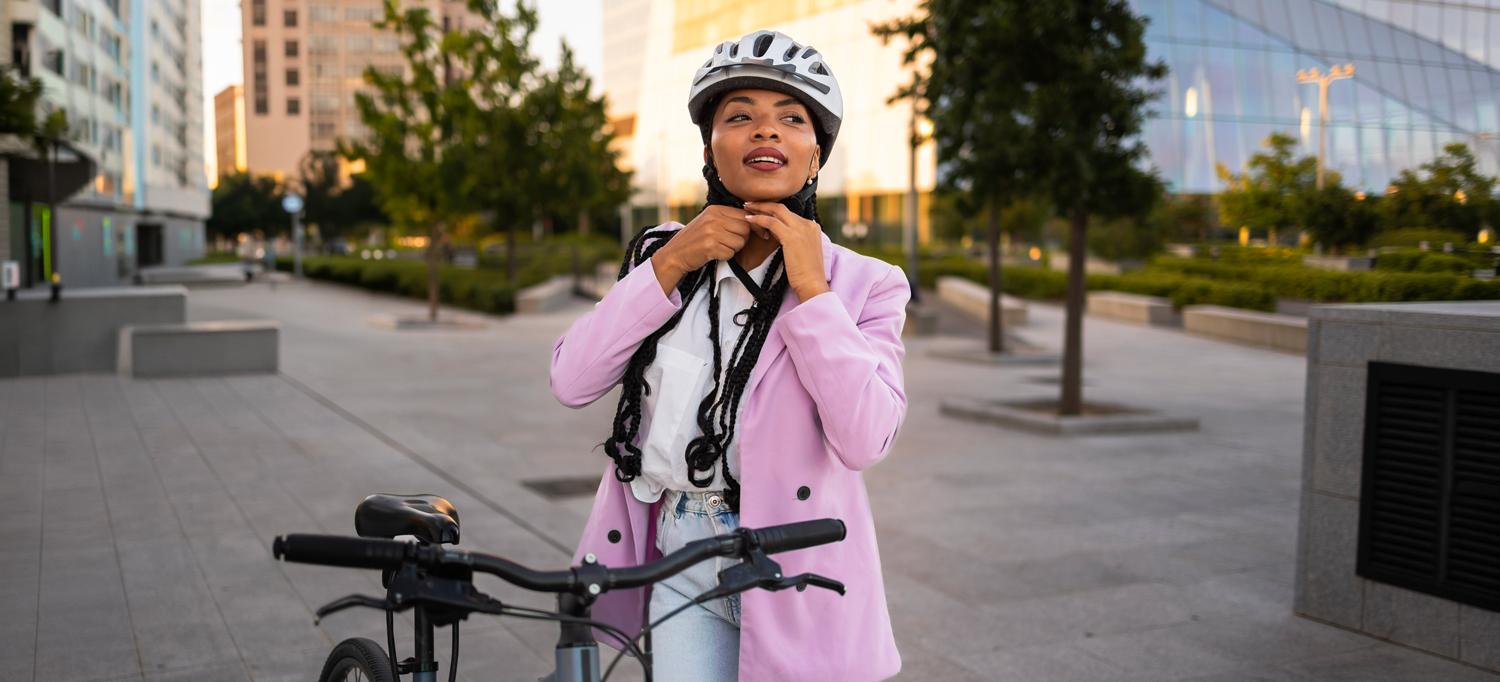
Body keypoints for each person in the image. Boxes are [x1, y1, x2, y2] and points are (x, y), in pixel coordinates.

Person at [549, 29, 907, 682]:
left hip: (796, 562)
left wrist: (813, 291)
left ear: (815, 155)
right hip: (678, 552)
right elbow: (572, 380)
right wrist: (676, 258)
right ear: (711, 147)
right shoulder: (665, 257)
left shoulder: (865, 283)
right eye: (739, 116)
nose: (765, 132)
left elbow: (865, 439)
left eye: (791, 119)